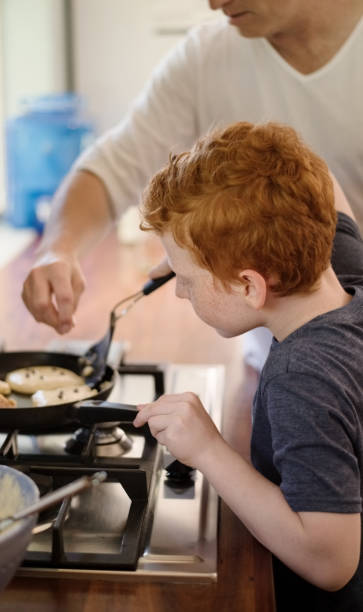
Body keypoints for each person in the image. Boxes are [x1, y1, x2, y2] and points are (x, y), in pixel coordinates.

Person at [21, 0, 363, 371]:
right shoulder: (206, 58)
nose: (213, 3)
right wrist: (58, 248)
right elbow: (112, 166)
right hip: (276, 358)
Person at [132, 121, 363, 611]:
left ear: (249, 286)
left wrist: (210, 450)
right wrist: (195, 244)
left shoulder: (302, 379)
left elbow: (331, 564)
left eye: (188, 279)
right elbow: (317, 175)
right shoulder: (342, 269)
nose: (178, 288)